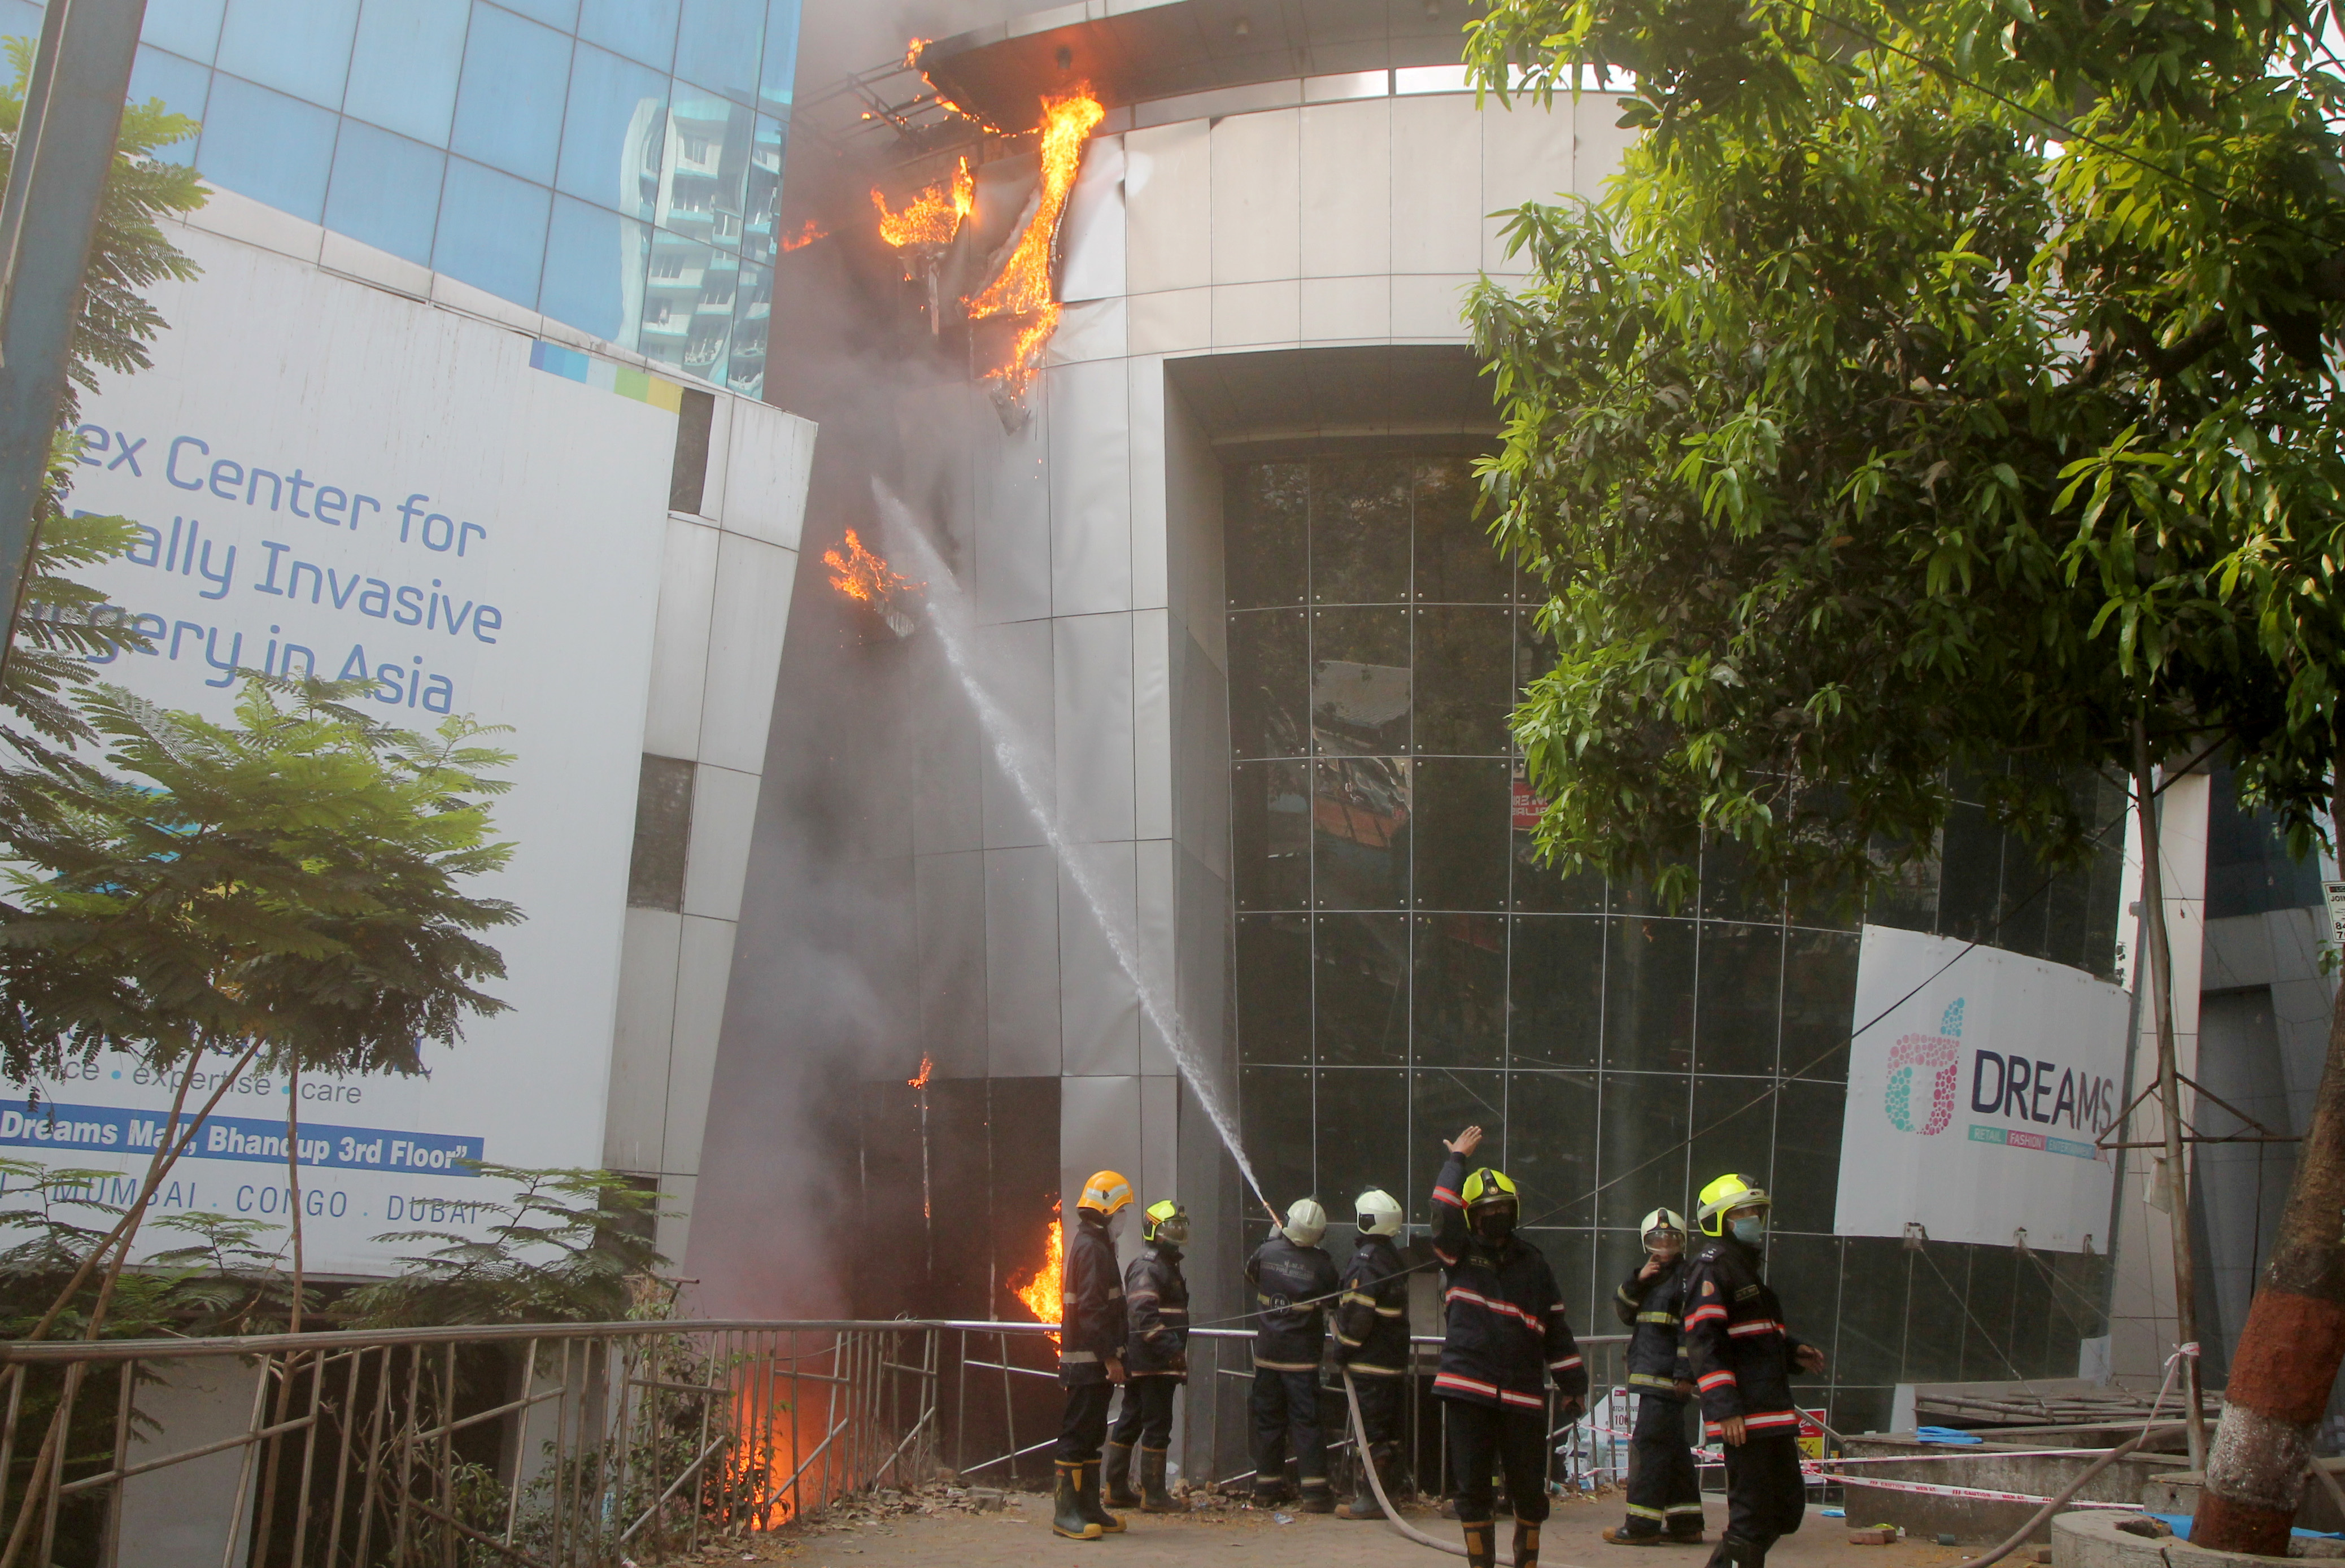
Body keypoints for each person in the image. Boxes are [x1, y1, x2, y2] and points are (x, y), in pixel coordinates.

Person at [1432, 1126, 1586, 1568]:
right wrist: (1456, 1162)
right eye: (1487, 1209)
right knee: (1474, 1491)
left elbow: (1556, 1328)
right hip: (1468, 1391)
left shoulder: (1534, 1263)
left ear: (1514, 1212)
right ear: (1473, 1217)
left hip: (1522, 1395)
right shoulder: (1458, 1254)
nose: (1496, 1215)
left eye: (1503, 1207)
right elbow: (1441, 1214)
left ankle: (1526, 1559)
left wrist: (1573, 1381)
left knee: (1529, 1492)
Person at [1683, 1174, 1827, 1568]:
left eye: (1757, 1212)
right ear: (1720, 1221)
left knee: (1785, 1509)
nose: (1755, 1220)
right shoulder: (1712, 1269)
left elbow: (1755, 1337)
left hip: (1772, 1409)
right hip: (1746, 1415)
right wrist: (1725, 1408)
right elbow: (1705, 1341)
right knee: (1750, 1517)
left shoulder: (1745, 1270)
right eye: (1744, 1213)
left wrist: (1793, 1350)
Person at [1603, 1207, 1706, 1546]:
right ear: (1646, 1243)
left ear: (1682, 1242)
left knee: (1648, 1447)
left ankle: (1641, 1527)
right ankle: (1685, 1523)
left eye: (1672, 1239)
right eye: (1657, 1239)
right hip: (1652, 1376)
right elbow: (1625, 1314)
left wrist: (1684, 1373)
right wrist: (1638, 1279)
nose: (1664, 1245)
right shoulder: (1651, 1277)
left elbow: (1691, 1331)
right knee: (1674, 1449)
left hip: (1667, 1379)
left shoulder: (1689, 1277)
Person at [1244, 1196, 1341, 1511]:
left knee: (1268, 1422)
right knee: (1307, 1423)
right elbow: (1334, 1301)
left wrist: (1272, 1241)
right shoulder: (1323, 1264)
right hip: (1302, 1361)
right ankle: (1314, 1494)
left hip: (1268, 1356)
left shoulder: (1266, 1252)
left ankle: (1266, 1491)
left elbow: (1251, 1275)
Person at [1053, 1170, 1134, 1541]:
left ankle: (1088, 1508)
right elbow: (1091, 1310)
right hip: (1087, 1363)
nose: (1124, 1218)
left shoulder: (1097, 1245)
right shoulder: (1092, 1249)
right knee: (1077, 1435)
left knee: (1092, 1435)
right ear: (1103, 1210)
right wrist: (1110, 1358)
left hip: (1094, 1364)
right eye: (1121, 1210)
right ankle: (1066, 1512)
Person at [1104, 1199, 1191, 1514]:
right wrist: (1172, 1350)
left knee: (1132, 1419)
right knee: (1157, 1424)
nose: (1177, 1234)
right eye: (1171, 1229)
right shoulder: (1150, 1267)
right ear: (1153, 1231)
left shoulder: (1161, 1266)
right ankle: (1153, 1494)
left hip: (1147, 1361)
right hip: (1153, 1362)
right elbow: (1143, 1315)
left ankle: (1116, 1488)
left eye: (1180, 1228)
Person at [1332, 1187, 1412, 1520]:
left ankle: (1372, 1499)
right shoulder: (1394, 1257)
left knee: (1372, 1434)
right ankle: (1389, 1495)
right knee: (1390, 1434)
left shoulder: (1366, 1262)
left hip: (1370, 1365)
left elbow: (1358, 1315)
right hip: (1392, 1364)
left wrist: (1341, 1349)